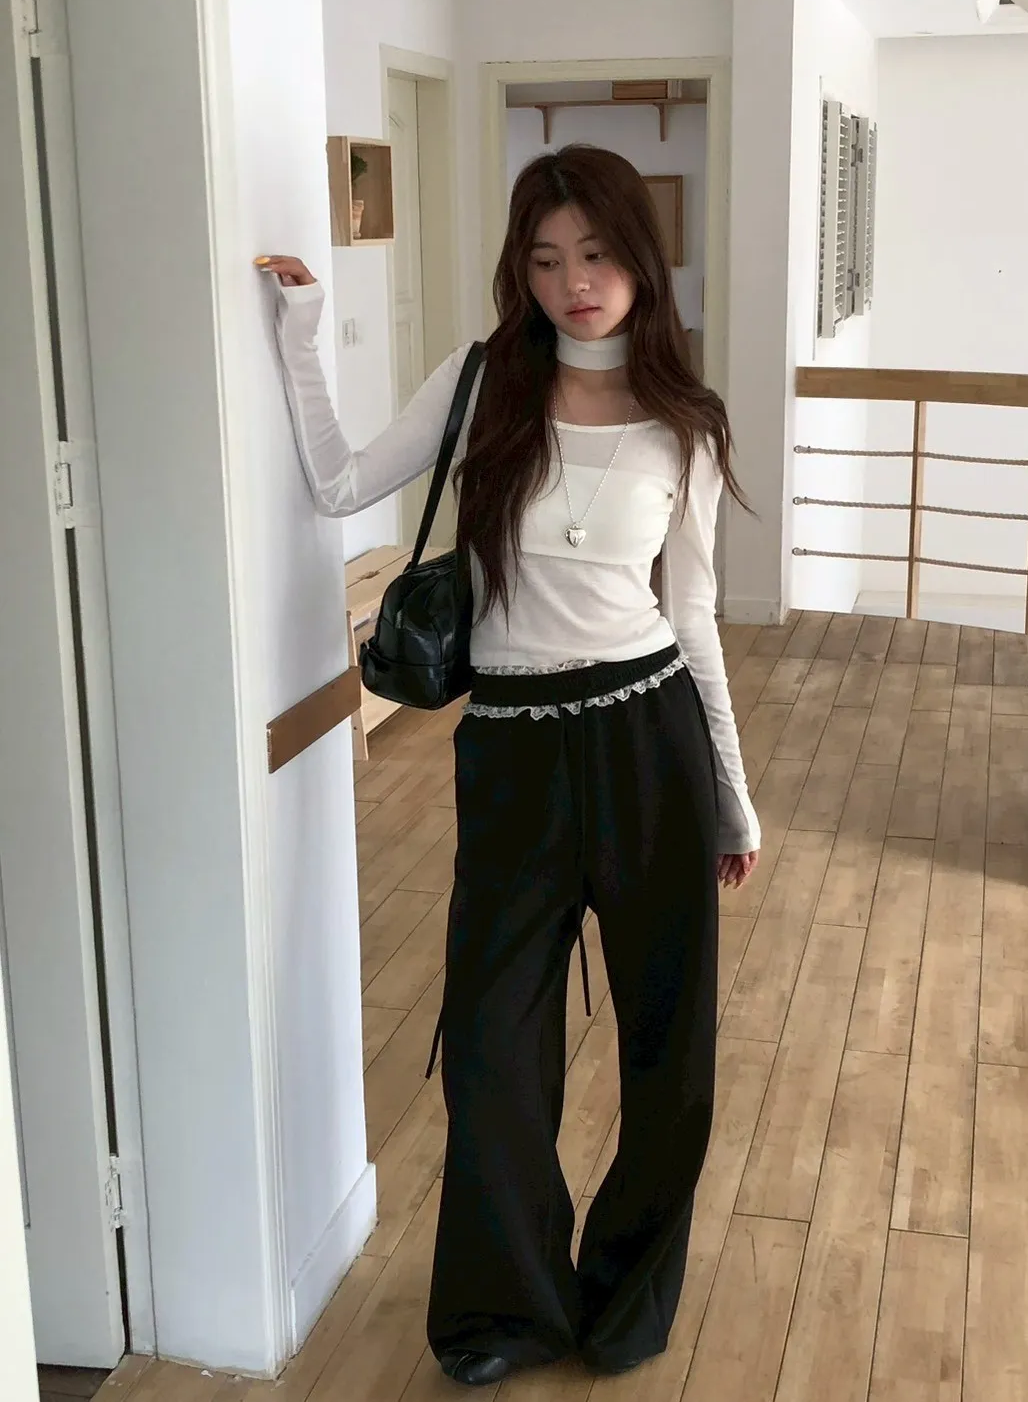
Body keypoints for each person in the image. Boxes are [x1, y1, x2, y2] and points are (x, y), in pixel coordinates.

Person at [257, 144, 760, 1389]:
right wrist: (303, 333)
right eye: (544, 260)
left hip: (649, 741)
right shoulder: (482, 381)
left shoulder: (687, 421)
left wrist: (734, 798)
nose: (573, 283)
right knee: (490, 1051)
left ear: (638, 259)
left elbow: (692, 616)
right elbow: (337, 482)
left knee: (669, 1047)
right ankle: (504, 1310)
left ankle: (626, 1299)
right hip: (515, 749)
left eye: (595, 253)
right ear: (519, 271)